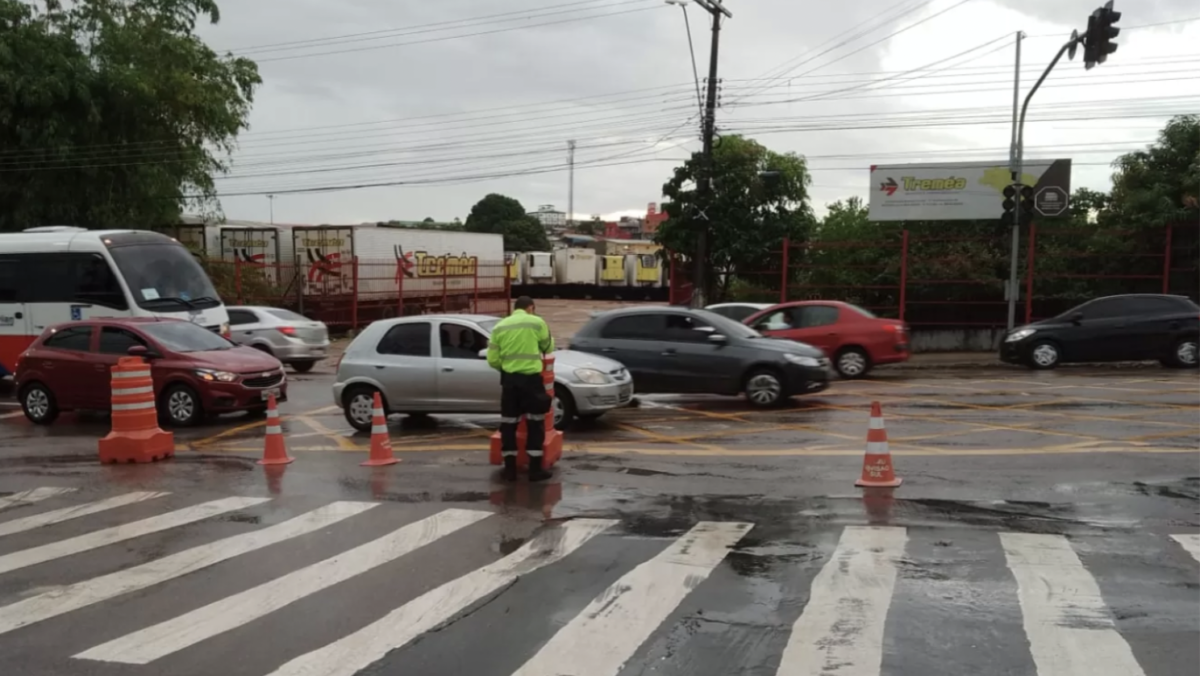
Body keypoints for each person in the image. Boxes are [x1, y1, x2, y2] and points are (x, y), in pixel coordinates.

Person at [487, 296, 556, 482]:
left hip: (509, 382)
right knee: (535, 423)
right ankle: (535, 470)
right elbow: (549, 346)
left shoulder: (500, 326)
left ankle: (510, 470)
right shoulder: (536, 322)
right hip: (531, 381)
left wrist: (508, 368)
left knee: (508, 425)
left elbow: (492, 359)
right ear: (531, 307)